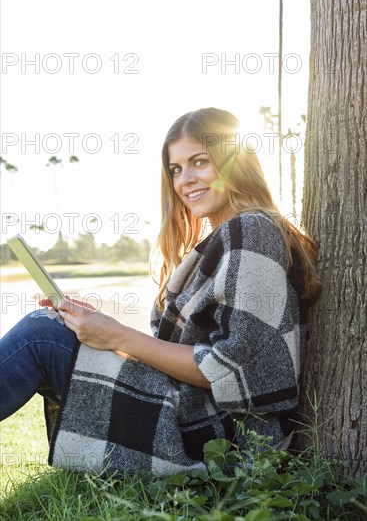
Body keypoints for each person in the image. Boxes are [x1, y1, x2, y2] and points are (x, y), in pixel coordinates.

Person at [0, 107, 320, 476]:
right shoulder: (226, 238)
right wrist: (97, 327)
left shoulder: (251, 231)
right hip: (195, 414)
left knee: (41, 336)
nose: (185, 180)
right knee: (52, 328)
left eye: (199, 161)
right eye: (176, 169)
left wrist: (117, 335)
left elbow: (237, 367)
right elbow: (177, 350)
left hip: (224, 435)